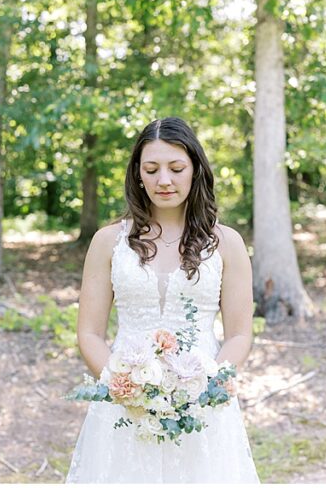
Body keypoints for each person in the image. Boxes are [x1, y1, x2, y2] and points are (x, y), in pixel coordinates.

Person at [67, 117, 258, 482]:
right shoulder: (108, 242)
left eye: (176, 168)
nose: (164, 181)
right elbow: (89, 332)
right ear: (138, 174)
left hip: (201, 402)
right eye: (151, 169)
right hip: (125, 402)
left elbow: (239, 334)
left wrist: (207, 384)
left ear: (196, 170)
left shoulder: (227, 244)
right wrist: (121, 385)